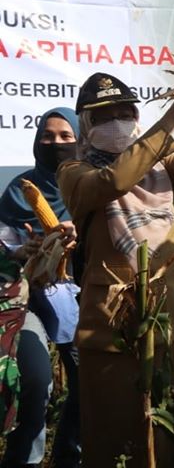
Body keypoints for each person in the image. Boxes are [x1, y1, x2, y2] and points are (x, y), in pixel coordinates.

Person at [57, 72, 174, 467]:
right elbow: (114, 180)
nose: (117, 121)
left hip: (172, 313)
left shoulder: (162, 167)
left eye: (124, 111)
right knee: (118, 432)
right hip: (111, 323)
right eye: (103, 116)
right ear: (85, 124)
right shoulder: (74, 172)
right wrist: (171, 119)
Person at [0, 108, 82, 467]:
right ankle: (24, 460)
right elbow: (3, 243)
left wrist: (79, 236)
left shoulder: (89, 187)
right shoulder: (19, 190)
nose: (56, 143)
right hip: (26, 297)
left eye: (66, 136)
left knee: (89, 382)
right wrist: (21, 250)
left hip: (77, 295)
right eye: (47, 136)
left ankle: (69, 457)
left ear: (80, 139)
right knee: (36, 379)